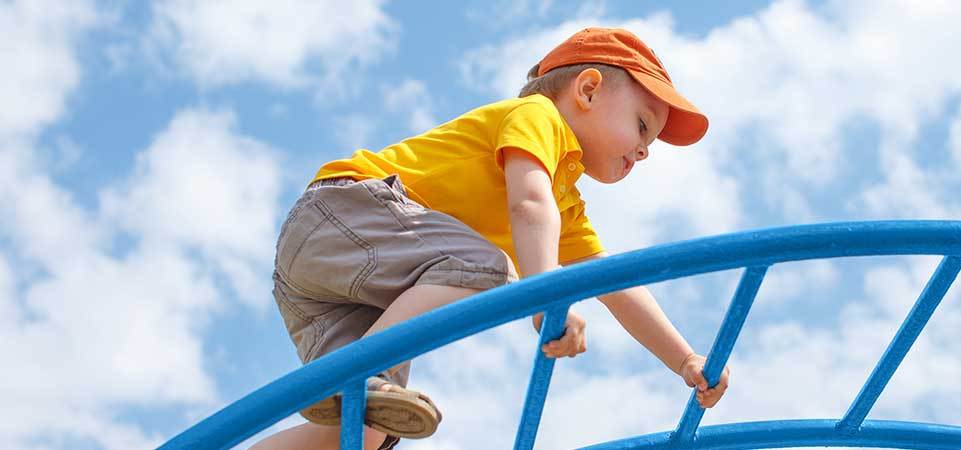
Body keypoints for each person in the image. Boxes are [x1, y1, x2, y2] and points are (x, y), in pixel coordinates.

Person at [250, 27, 730, 450]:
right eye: (643, 125)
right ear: (587, 90)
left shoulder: (565, 202)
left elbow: (613, 283)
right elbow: (528, 204)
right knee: (493, 268)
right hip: (342, 217)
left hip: (329, 282)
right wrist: (544, 297)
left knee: (367, 426)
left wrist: (685, 358)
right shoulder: (539, 117)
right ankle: (365, 371)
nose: (644, 151)